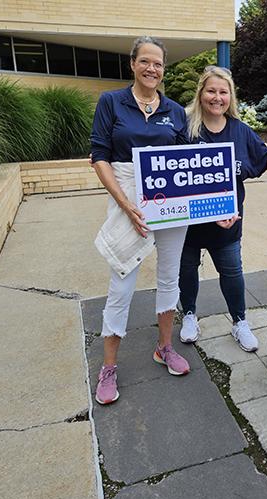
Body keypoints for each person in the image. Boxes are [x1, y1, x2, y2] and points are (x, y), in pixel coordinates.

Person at [179, 67, 267, 351]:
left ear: (231, 97)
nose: (217, 97)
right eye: (211, 91)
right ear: (201, 93)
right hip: (189, 223)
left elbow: (264, 155)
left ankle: (239, 321)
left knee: (232, 273)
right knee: (187, 271)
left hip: (228, 222)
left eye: (223, 92)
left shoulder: (239, 131)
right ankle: (189, 315)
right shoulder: (185, 129)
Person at [91, 36, 191, 405]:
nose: (152, 69)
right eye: (145, 61)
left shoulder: (175, 111)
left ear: (164, 69)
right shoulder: (111, 102)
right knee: (122, 281)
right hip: (127, 199)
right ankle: (109, 366)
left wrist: (218, 203)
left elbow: (186, 163)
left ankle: (164, 347)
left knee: (169, 276)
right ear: (132, 63)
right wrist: (124, 203)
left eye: (159, 64)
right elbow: (99, 155)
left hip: (170, 206)